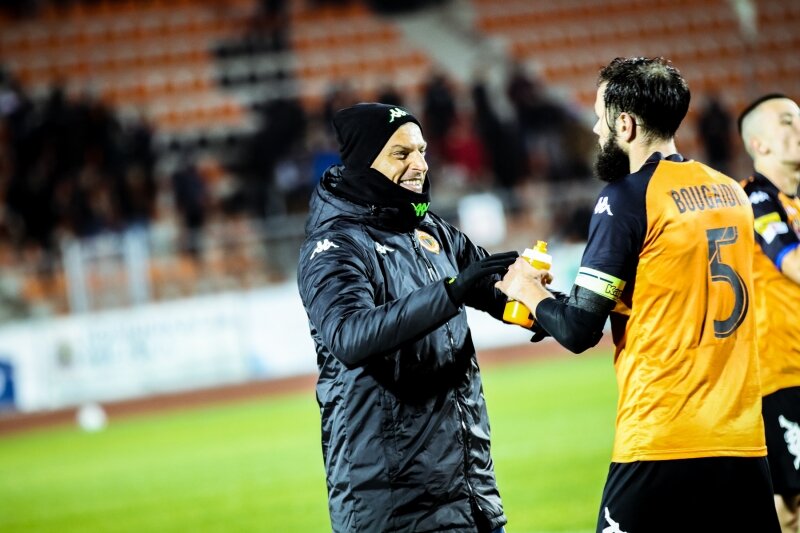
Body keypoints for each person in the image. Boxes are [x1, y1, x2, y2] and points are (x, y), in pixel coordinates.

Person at [494, 57, 780, 533]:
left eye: (599, 116)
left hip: (663, 436)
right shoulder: (732, 191)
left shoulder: (626, 196)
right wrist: (554, 305)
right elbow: (669, 291)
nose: (594, 128)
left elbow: (580, 330)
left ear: (624, 124)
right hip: (742, 440)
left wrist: (525, 289)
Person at [297, 102, 515, 532]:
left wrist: (570, 305)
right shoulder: (333, 246)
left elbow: (503, 290)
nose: (420, 164)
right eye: (401, 154)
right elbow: (349, 335)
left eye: (421, 151)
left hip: (470, 495)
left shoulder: (431, 229)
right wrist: (450, 292)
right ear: (364, 162)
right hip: (391, 506)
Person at [738, 93, 800, 533]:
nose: (799, 128)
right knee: (788, 506)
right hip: (781, 374)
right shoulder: (753, 199)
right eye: (787, 121)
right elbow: (792, 262)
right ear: (759, 143)